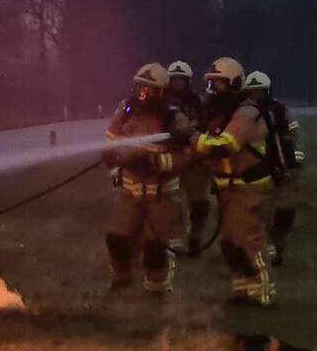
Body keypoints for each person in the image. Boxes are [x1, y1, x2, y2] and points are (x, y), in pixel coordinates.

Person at [102, 63, 193, 293]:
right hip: (129, 190)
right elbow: (111, 137)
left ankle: (157, 289)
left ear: (161, 91)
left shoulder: (174, 117)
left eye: (149, 88)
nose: (143, 93)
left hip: (160, 193)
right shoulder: (126, 109)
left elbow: (188, 154)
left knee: (156, 247)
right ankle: (121, 280)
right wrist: (112, 158)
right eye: (140, 87)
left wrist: (159, 163)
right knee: (118, 240)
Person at [195, 57, 275, 305]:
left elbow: (225, 145)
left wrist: (192, 139)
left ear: (234, 84)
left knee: (249, 240)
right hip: (229, 187)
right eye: (210, 84)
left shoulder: (246, 112)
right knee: (230, 243)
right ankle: (241, 290)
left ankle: (261, 292)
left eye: (217, 84)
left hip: (247, 187)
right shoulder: (223, 113)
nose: (211, 90)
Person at [242, 71, 305, 265]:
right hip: (259, 168)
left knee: (285, 211)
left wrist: (295, 157)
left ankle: (278, 242)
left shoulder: (279, 110)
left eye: (259, 92)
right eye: (251, 92)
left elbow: (295, 132)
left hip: (284, 167)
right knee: (261, 212)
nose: (256, 96)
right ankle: (266, 250)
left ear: (267, 91)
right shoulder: (244, 114)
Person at [166, 61, 210, 256]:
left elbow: (206, 126)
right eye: (173, 79)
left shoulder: (198, 102)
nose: (176, 83)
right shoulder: (162, 102)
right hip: (172, 158)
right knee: (171, 202)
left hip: (196, 159)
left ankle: (195, 237)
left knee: (199, 202)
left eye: (180, 79)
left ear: (187, 81)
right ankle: (174, 240)